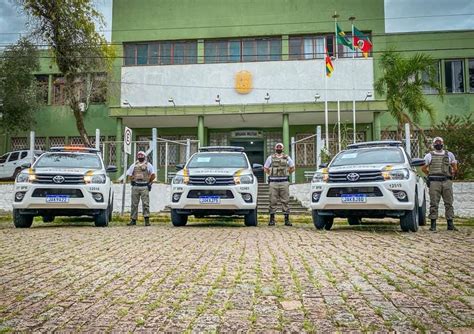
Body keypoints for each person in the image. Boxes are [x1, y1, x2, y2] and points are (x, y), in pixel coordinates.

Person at [421, 137, 458, 231]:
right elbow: (423, 168)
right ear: (433, 144)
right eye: (436, 142)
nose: (438, 144)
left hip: (446, 181)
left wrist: (451, 174)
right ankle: (433, 225)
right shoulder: (429, 155)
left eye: (440, 142)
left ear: (443, 143)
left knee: (449, 203)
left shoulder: (449, 154)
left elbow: (455, 167)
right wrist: (430, 174)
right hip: (434, 182)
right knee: (434, 203)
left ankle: (450, 224)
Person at [264, 143, 295, 226]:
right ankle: (272, 220)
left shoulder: (287, 158)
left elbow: (293, 167)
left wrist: (287, 173)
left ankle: (287, 220)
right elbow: (265, 168)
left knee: (285, 201)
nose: (279, 148)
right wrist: (271, 174)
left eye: (280, 147)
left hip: (284, 182)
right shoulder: (270, 158)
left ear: (283, 148)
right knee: (272, 201)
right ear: (275, 148)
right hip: (273, 182)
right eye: (277, 147)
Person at [126, 151, 156, 226]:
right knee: (134, 204)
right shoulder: (134, 165)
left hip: (144, 186)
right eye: (139, 155)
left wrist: (149, 182)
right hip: (136, 186)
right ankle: (133, 220)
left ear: (144, 157)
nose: (140, 157)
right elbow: (129, 175)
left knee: (145, 203)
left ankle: (146, 220)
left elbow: (153, 175)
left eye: (141, 155)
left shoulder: (148, 165)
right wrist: (132, 179)